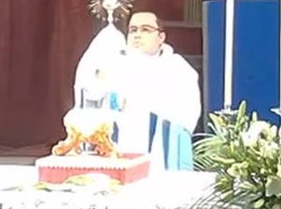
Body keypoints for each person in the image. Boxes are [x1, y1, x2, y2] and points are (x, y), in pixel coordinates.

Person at [72, 11, 201, 170]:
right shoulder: (114, 64)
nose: (137, 35)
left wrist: (138, 98)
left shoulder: (177, 68)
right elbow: (91, 96)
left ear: (161, 37)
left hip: (159, 151)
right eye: (133, 30)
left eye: (145, 29)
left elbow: (185, 111)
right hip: (119, 146)